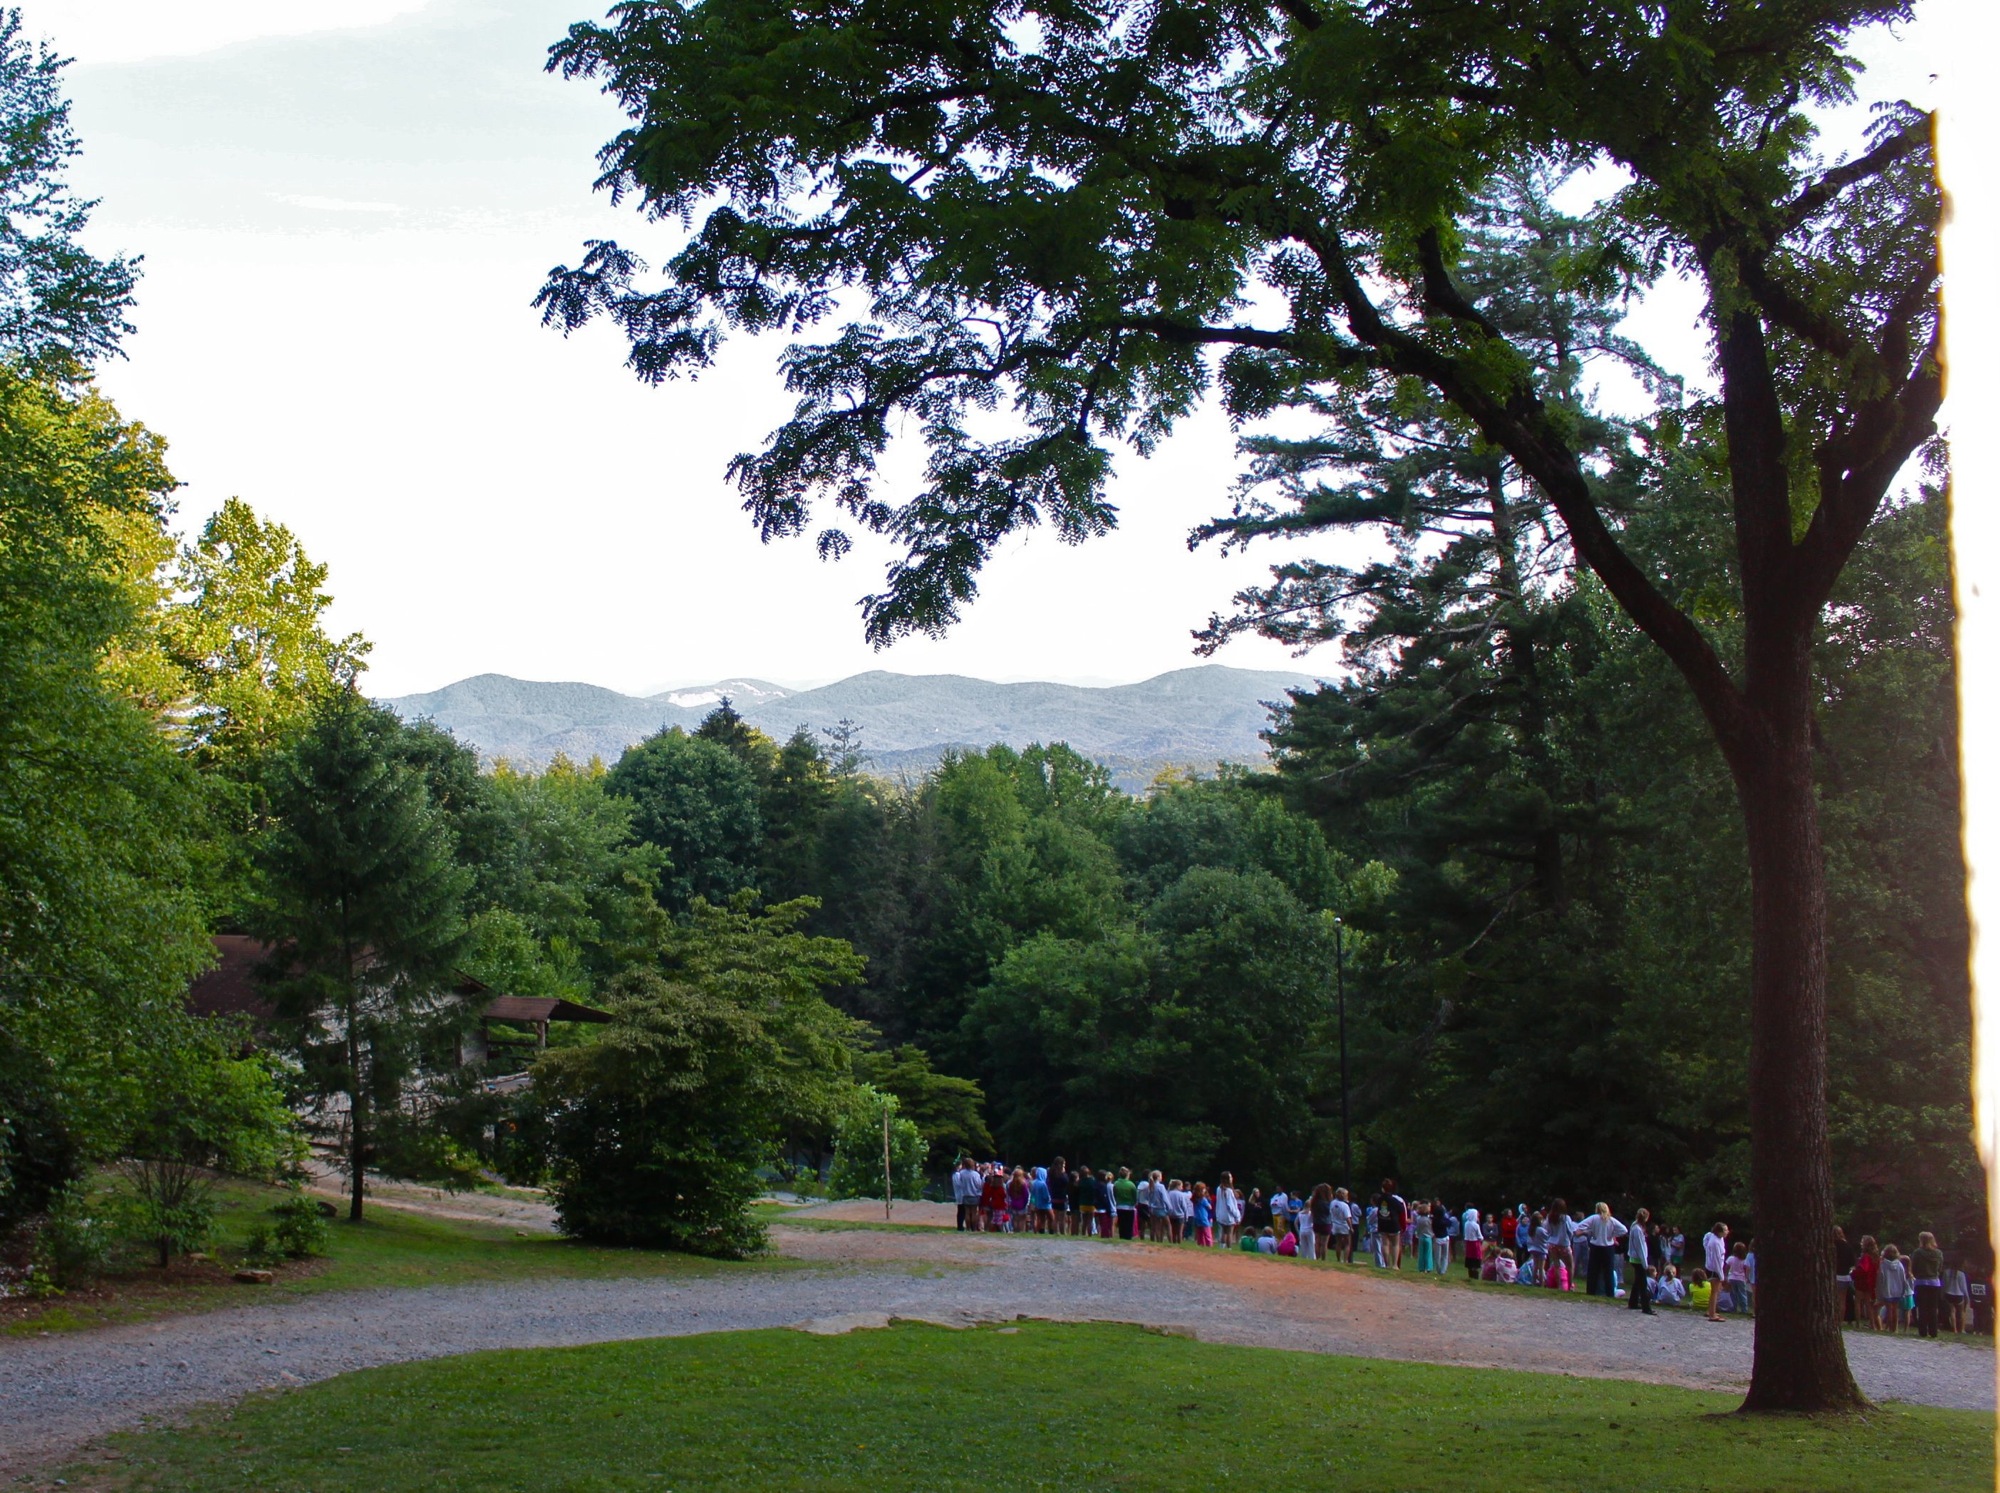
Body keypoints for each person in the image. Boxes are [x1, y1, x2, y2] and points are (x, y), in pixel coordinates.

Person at [1584, 1202, 1626, 1299]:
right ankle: (1610, 1292)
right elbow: (1624, 1230)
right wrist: (1613, 1234)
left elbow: (1582, 1225)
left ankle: (1591, 1290)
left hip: (1595, 1246)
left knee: (1593, 1270)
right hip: (1608, 1247)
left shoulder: (1594, 1218)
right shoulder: (1611, 1220)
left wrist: (1589, 1231)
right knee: (1608, 1271)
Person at [1911, 1231, 1946, 1339]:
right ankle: (1933, 1331)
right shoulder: (1938, 1253)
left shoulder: (1917, 1253)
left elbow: (1913, 1267)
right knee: (1933, 1308)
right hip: (1934, 1282)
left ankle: (1923, 1331)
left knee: (1922, 1308)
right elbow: (1940, 1268)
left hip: (1921, 1282)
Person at [1625, 1207, 1655, 1314]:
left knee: (1637, 1282)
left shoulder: (1634, 1226)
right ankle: (1646, 1307)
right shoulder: (1637, 1229)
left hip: (1635, 1258)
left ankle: (1632, 1302)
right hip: (1638, 1259)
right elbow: (1640, 1247)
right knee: (1643, 1283)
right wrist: (1645, 1263)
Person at [1876, 1243, 1911, 1333]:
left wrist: (1879, 1291)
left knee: (1889, 1310)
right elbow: (1903, 1279)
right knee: (1895, 1310)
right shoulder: (1899, 1265)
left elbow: (1881, 1278)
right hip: (1897, 1290)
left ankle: (1890, 1327)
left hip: (1887, 1290)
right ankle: (1894, 1329)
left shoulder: (1883, 1265)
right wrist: (1903, 1291)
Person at [1701, 1222, 1730, 1321]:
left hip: (1712, 1267)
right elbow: (1717, 1260)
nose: (1727, 1232)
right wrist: (1721, 1276)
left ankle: (1710, 1310)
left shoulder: (1715, 1238)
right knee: (1715, 1291)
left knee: (1715, 1291)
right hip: (1714, 1269)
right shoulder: (1715, 1243)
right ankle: (1712, 1314)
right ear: (1719, 1231)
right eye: (1725, 1230)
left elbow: (1706, 1237)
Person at [1545, 1200, 1576, 1290]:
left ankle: (1559, 1285)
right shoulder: (1566, 1218)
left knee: (1556, 1265)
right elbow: (1570, 1231)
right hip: (1564, 1244)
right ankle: (1570, 1286)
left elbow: (1547, 1230)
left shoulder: (1549, 1217)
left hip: (1552, 1243)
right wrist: (1569, 1239)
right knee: (1570, 1265)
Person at [1851, 1236, 1881, 1328]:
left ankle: (1858, 1323)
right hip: (1871, 1281)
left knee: (1858, 1301)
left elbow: (1864, 1269)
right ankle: (1872, 1324)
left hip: (1862, 1281)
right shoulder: (1876, 1257)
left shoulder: (1865, 1257)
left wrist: (1854, 1273)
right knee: (1868, 1303)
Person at [1378, 1181, 1408, 1269]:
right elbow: (1401, 1209)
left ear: (1382, 1188)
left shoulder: (1379, 1199)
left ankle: (1387, 1264)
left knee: (1385, 1244)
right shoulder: (1394, 1200)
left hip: (1383, 1222)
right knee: (1395, 1244)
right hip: (1393, 1223)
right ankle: (1395, 1265)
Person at [1834, 1225, 1857, 1325]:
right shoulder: (1847, 1246)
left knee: (1834, 1299)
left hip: (1835, 1275)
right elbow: (1852, 1261)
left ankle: (1834, 1319)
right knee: (1842, 1300)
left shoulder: (1833, 1245)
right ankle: (1840, 1320)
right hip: (1845, 1276)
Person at [1724, 1240, 1754, 1316]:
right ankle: (1744, 1309)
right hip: (1741, 1279)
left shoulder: (1731, 1258)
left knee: (1733, 1294)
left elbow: (1727, 1267)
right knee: (1742, 1294)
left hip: (1732, 1278)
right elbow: (1747, 1269)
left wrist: (1726, 1275)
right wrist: (1746, 1277)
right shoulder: (1744, 1260)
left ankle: (1733, 1308)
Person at [952, 1157, 982, 1231]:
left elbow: (960, 1183)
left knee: (967, 1213)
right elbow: (979, 1184)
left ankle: (968, 1227)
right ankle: (974, 1228)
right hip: (974, 1195)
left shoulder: (962, 1173)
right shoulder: (975, 1174)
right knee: (974, 1212)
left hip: (965, 1195)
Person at [1944, 1254, 1970, 1335]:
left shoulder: (1946, 1272)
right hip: (1959, 1294)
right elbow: (1964, 1287)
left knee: (1952, 1311)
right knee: (1961, 1312)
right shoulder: (1961, 1274)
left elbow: (1944, 1284)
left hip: (1949, 1293)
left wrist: (1942, 1293)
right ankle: (1962, 1329)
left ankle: (1954, 1329)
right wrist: (1967, 1297)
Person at [1216, 1172, 1244, 1248]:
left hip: (1221, 1214)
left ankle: (1222, 1247)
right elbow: (1231, 1206)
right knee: (1229, 1233)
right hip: (1228, 1215)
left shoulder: (1219, 1189)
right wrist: (1237, 1216)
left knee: (1223, 1232)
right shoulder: (1229, 1191)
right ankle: (1228, 1249)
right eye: (1230, 1177)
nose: (1232, 1178)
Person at [1309, 1184, 1335, 1263]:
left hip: (1316, 1223)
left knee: (1317, 1242)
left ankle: (1317, 1259)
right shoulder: (1328, 1203)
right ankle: (1323, 1260)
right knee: (1324, 1244)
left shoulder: (1314, 1202)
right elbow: (1330, 1212)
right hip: (1326, 1223)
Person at [1112, 1166, 1138, 1240]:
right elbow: (1135, 1196)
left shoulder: (1116, 1183)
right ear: (1127, 1175)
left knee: (1122, 1225)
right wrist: (1133, 1203)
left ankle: (1122, 1237)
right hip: (1129, 1207)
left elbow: (1114, 1194)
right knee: (1129, 1225)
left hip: (1119, 1206)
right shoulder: (1131, 1184)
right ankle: (1128, 1238)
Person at [979, 1165, 1007, 1233]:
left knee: (994, 1218)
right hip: (1000, 1206)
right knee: (999, 1220)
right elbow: (1004, 1196)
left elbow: (990, 1194)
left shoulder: (992, 1188)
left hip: (994, 1205)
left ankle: (989, 1229)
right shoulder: (1001, 1189)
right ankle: (1001, 1230)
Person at [1330, 1187, 1355, 1264]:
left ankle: (1338, 1259)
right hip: (1344, 1225)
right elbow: (1348, 1218)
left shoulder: (1333, 1203)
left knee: (1338, 1243)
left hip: (1335, 1224)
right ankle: (1345, 1260)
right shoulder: (1344, 1205)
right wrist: (1351, 1227)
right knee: (1347, 1243)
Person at [1047, 1158, 1072, 1233]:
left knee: (1055, 1218)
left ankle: (1055, 1232)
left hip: (1054, 1197)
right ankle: (1062, 1232)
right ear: (1060, 1164)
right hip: (1062, 1198)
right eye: (1063, 1164)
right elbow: (1067, 1183)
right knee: (1062, 1219)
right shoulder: (1062, 1175)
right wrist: (1064, 1173)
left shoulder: (1051, 1174)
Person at [1461, 1204, 1484, 1281]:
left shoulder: (1466, 1224)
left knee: (1469, 1258)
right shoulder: (1475, 1225)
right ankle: (1475, 1275)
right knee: (1475, 1259)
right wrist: (1482, 1239)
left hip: (1468, 1243)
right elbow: (1480, 1236)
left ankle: (1470, 1275)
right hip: (1475, 1243)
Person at [1073, 1166, 1097, 1238]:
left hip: (1082, 1203)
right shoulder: (1093, 1181)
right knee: (1090, 1220)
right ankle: (1089, 1234)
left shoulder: (1080, 1182)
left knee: (1084, 1221)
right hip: (1091, 1203)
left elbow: (1075, 1187)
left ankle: (1083, 1233)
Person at [1028, 1166, 1053, 1234]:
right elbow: (1046, 1196)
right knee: (1051, 1218)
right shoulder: (1043, 1184)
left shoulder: (1033, 1183)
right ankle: (1051, 1231)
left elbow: (1032, 1195)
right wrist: (1050, 1200)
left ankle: (1041, 1231)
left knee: (1041, 1220)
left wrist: (1033, 1203)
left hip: (1038, 1205)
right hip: (1046, 1205)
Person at [1192, 1180, 1216, 1248]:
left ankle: (1200, 1244)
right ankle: (1209, 1244)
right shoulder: (1203, 1199)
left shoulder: (1194, 1198)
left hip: (1196, 1217)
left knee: (1199, 1232)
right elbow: (1210, 1207)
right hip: (1203, 1217)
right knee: (1207, 1232)